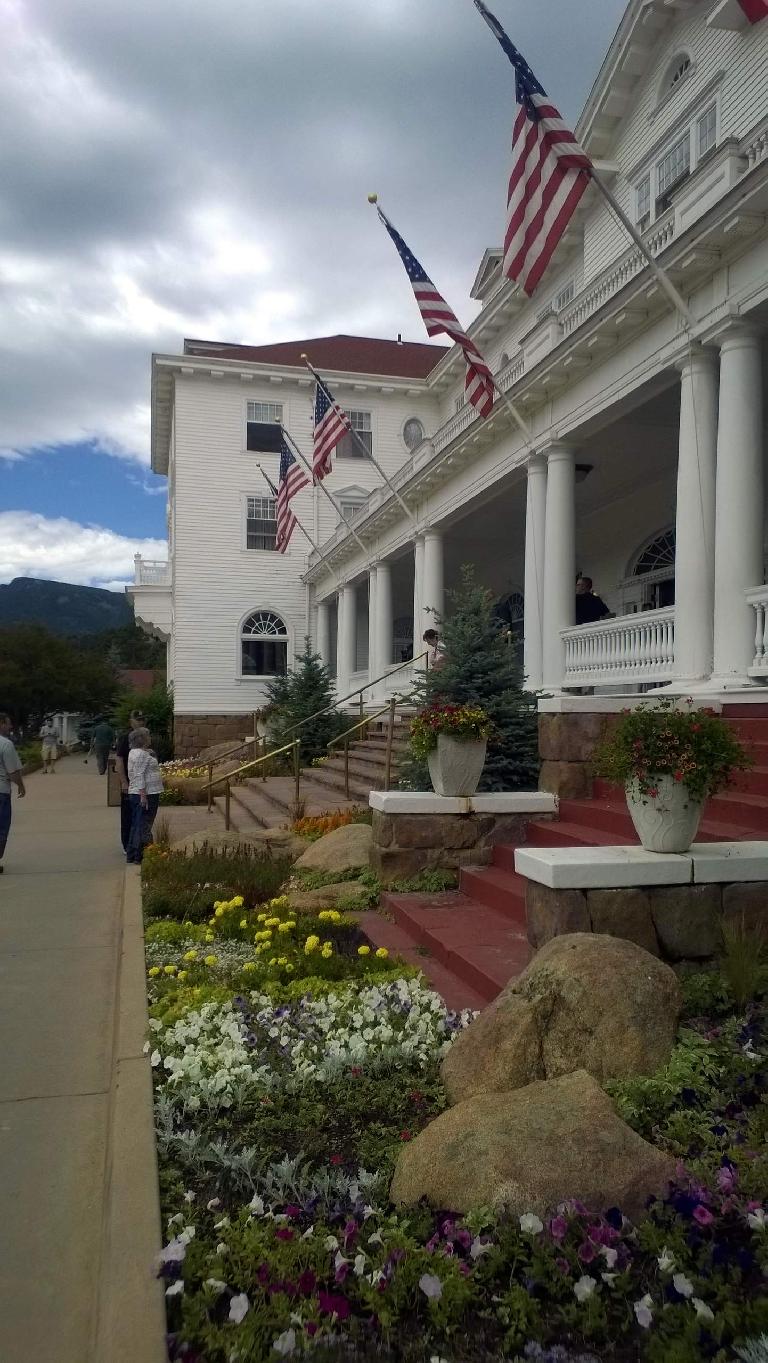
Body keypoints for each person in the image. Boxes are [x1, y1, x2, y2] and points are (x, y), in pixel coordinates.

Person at [125, 727, 164, 864]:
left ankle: (132, 854)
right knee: (144, 824)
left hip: (137, 792)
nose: (150, 738)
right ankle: (143, 855)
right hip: (146, 793)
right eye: (148, 736)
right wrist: (143, 795)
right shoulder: (141, 755)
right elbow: (139, 774)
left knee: (137, 824)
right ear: (142, 739)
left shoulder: (136, 753)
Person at [114, 710, 146, 853]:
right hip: (130, 782)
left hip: (143, 784)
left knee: (142, 815)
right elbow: (119, 760)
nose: (140, 722)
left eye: (142, 719)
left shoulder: (145, 737)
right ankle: (127, 844)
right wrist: (124, 782)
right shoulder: (125, 738)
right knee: (127, 816)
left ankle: (139, 843)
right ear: (131, 721)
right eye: (137, 720)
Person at [0, 713, 25, 873]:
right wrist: (21, 785)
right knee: (1, 827)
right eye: (8, 724)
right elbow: (12, 771)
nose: (10, 727)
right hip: (1, 791)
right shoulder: (5, 744)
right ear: (1, 723)